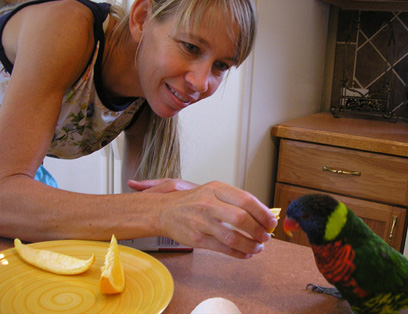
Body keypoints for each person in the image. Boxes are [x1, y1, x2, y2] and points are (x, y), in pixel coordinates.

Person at [0, 0, 278, 259]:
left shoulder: (150, 97)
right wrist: (160, 210)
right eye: (191, 47)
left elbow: (142, 234)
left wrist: (189, 207)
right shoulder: (65, 26)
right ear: (142, 18)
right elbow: (5, 198)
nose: (201, 82)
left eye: (220, 65)